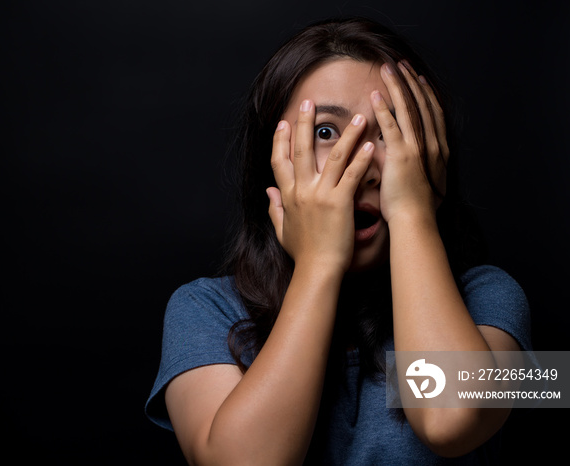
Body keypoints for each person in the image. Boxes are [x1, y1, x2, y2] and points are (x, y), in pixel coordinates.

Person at [145, 17, 532, 465]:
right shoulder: (204, 310)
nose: (361, 163)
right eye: (326, 131)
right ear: (272, 159)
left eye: (392, 133)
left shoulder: (489, 298)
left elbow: (451, 420)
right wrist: (318, 263)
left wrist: (410, 211)